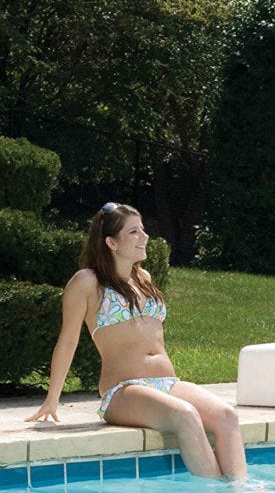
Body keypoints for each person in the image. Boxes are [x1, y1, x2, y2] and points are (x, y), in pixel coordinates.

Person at [26, 202, 247, 481]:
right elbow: (68, 341)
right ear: (111, 242)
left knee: (227, 417)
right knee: (186, 416)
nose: (144, 237)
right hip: (123, 391)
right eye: (134, 232)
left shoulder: (143, 279)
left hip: (167, 384)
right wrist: (51, 400)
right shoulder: (87, 282)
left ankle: (241, 489)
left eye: (143, 230)